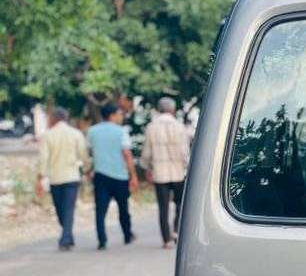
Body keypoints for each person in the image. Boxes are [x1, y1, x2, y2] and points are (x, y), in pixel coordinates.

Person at [35, 108, 90, 251]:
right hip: (71, 177)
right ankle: (68, 236)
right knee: (66, 210)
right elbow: (83, 155)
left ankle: (65, 239)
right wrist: (87, 169)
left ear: (54, 119)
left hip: (56, 178)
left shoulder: (47, 136)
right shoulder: (76, 134)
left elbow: (43, 159)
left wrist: (40, 178)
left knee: (62, 209)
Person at [141, 96, 190, 248]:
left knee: (163, 207)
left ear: (158, 109)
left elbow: (147, 153)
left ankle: (166, 240)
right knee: (180, 203)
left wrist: (146, 167)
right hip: (178, 172)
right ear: (173, 110)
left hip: (160, 173)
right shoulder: (179, 127)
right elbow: (185, 152)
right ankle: (176, 229)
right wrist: (186, 166)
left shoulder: (151, 127)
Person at [88, 102, 139, 250]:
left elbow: (90, 152)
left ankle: (102, 240)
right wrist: (133, 175)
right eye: (119, 114)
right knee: (123, 208)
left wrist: (90, 168)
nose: (121, 116)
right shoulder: (121, 131)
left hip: (101, 175)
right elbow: (127, 154)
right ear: (112, 115)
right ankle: (127, 235)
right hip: (119, 176)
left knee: (100, 210)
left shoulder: (92, 131)